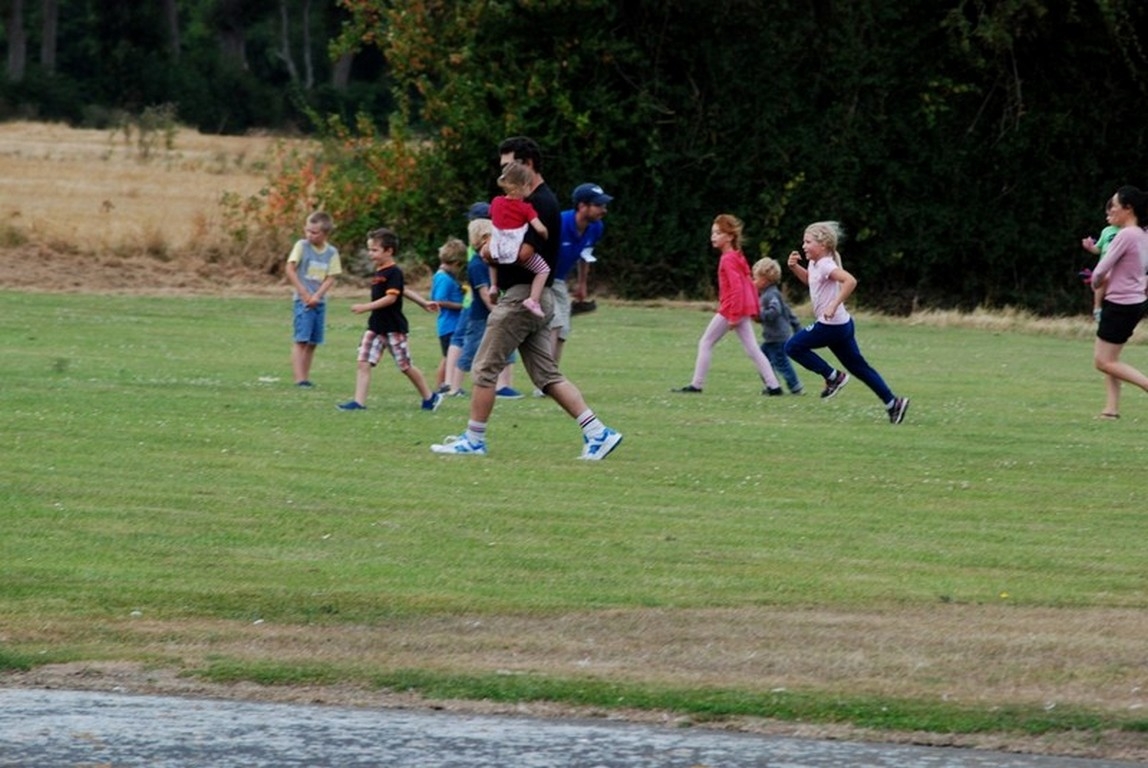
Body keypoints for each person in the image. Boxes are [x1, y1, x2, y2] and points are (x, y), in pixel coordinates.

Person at [431, 136, 622, 459]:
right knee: (547, 375)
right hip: (535, 296)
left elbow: (523, 254)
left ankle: (474, 439)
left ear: (528, 165)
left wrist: (488, 251)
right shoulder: (529, 201)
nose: (503, 175)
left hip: (522, 297)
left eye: (508, 166)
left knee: (484, 366)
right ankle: (598, 433)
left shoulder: (539, 204)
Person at [784, 221, 909, 424]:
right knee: (860, 368)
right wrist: (794, 267)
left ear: (823, 245)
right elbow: (811, 281)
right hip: (842, 325)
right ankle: (893, 403)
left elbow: (850, 281)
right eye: (803, 242)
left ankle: (833, 377)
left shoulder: (826, 264)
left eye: (808, 242)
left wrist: (833, 305)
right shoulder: (816, 263)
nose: (804, 246)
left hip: (831, 326)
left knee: (793, 347)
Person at [672, 214, 783, 396]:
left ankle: (696, 385)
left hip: (731, 309)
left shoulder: (728, 259)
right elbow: (747, 283)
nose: (713, 237)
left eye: (718, 233)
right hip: (738, 309)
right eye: (713, 233)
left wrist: (733, 315)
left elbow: (737, 288)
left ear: (730, 236)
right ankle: (774, 386)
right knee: (752, 349)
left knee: (706, 342)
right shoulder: (736, 256)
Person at [337, 227, 442, 413]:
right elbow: (404, 290)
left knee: (405, 366)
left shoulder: (394, 272)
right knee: (363, 361)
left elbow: (392, 297)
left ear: (389, 251)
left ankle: (430, 397)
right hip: (376, 327)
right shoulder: (380, 271)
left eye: (374, 250)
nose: (370, 254)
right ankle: (358, 403)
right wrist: (423, 303)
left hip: (393, 328)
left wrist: (365, 307)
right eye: (369, 249)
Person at [442, 214, 526, 399]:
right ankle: (454, 387)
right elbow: (485, 294)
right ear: (484, 238)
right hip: (480, 317)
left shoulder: (490, 261)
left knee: (506, 348)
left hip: (495, 313)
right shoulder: (477, 265)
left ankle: (503, 387)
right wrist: (498, 312)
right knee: (471, 350)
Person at [1088, 185, 1148, 420]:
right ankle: (1111, 410)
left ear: (1128, 208)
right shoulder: (1143, 234)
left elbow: (1101, 270)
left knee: (1102, 362)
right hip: (1135, 303)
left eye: (1114, 205)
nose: (1110, 210)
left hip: (1120, 304)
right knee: (1111, 360)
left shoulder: (1126, 235)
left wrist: (1095, 283)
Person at [549, 182, 612, 368]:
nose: (604, 210)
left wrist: (582, 284)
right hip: (539, 279)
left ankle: (550, 376)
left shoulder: (596, 227)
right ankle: (545, 377)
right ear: (582, 206)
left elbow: (585, 255)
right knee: (554, 324)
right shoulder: (558, 224)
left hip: (558, 280)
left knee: (563, 330)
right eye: (598, 205)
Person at [285, 211, 342, 387]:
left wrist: (317, 296)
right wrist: (303, 293)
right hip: (303, 302)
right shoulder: (301, 246)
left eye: (314, 232)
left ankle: (306, 377)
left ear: (325, 233)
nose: (309, 235)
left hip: (319, 302)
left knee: (312, 342)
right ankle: (299, 379)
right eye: (307, 230)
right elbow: (290, 269)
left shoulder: (331, 252)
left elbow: (330, 277)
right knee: (301, 340)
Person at [489, 160, 550, 318]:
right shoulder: (526, 208)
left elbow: (493, 220)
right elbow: (539, 228)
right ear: (523, 185)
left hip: (497, 251)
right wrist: (545, 234)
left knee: (490, 259)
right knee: (543, 270)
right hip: (515, 253)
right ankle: (533, 300)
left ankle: (494, 286)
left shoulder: (496, 202)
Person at [751, 257, 804, 395]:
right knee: (763, 360)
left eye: (755, 278)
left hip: (778, 338)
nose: (753, 282)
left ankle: (795, 387)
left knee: (781, 363)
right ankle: (772, 385)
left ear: (765, 280)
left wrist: (760, 315)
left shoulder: (771, 295)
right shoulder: (770, 293)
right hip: (773, 337)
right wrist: (797, 327)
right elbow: (788, 311)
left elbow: (776, 311)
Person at [430, 237, 467, 392]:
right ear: (456, 263)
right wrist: (462, 306)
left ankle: (445, 385)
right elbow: (439, 300)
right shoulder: (444, 278)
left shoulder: (446, 276)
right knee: (449, 358)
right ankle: (443, 385)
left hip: (453, 324)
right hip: (448, 325)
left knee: (449, 356)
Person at [1080, 196, 1121, 321]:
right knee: (1102, 282)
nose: (1107, 218)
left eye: (1110, 215)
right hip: (1105, 267)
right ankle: (1097, 307)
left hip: (1120, 269)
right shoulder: (1107, 231)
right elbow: (1098, 249)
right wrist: (1090, 247)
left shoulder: (1129, 230)